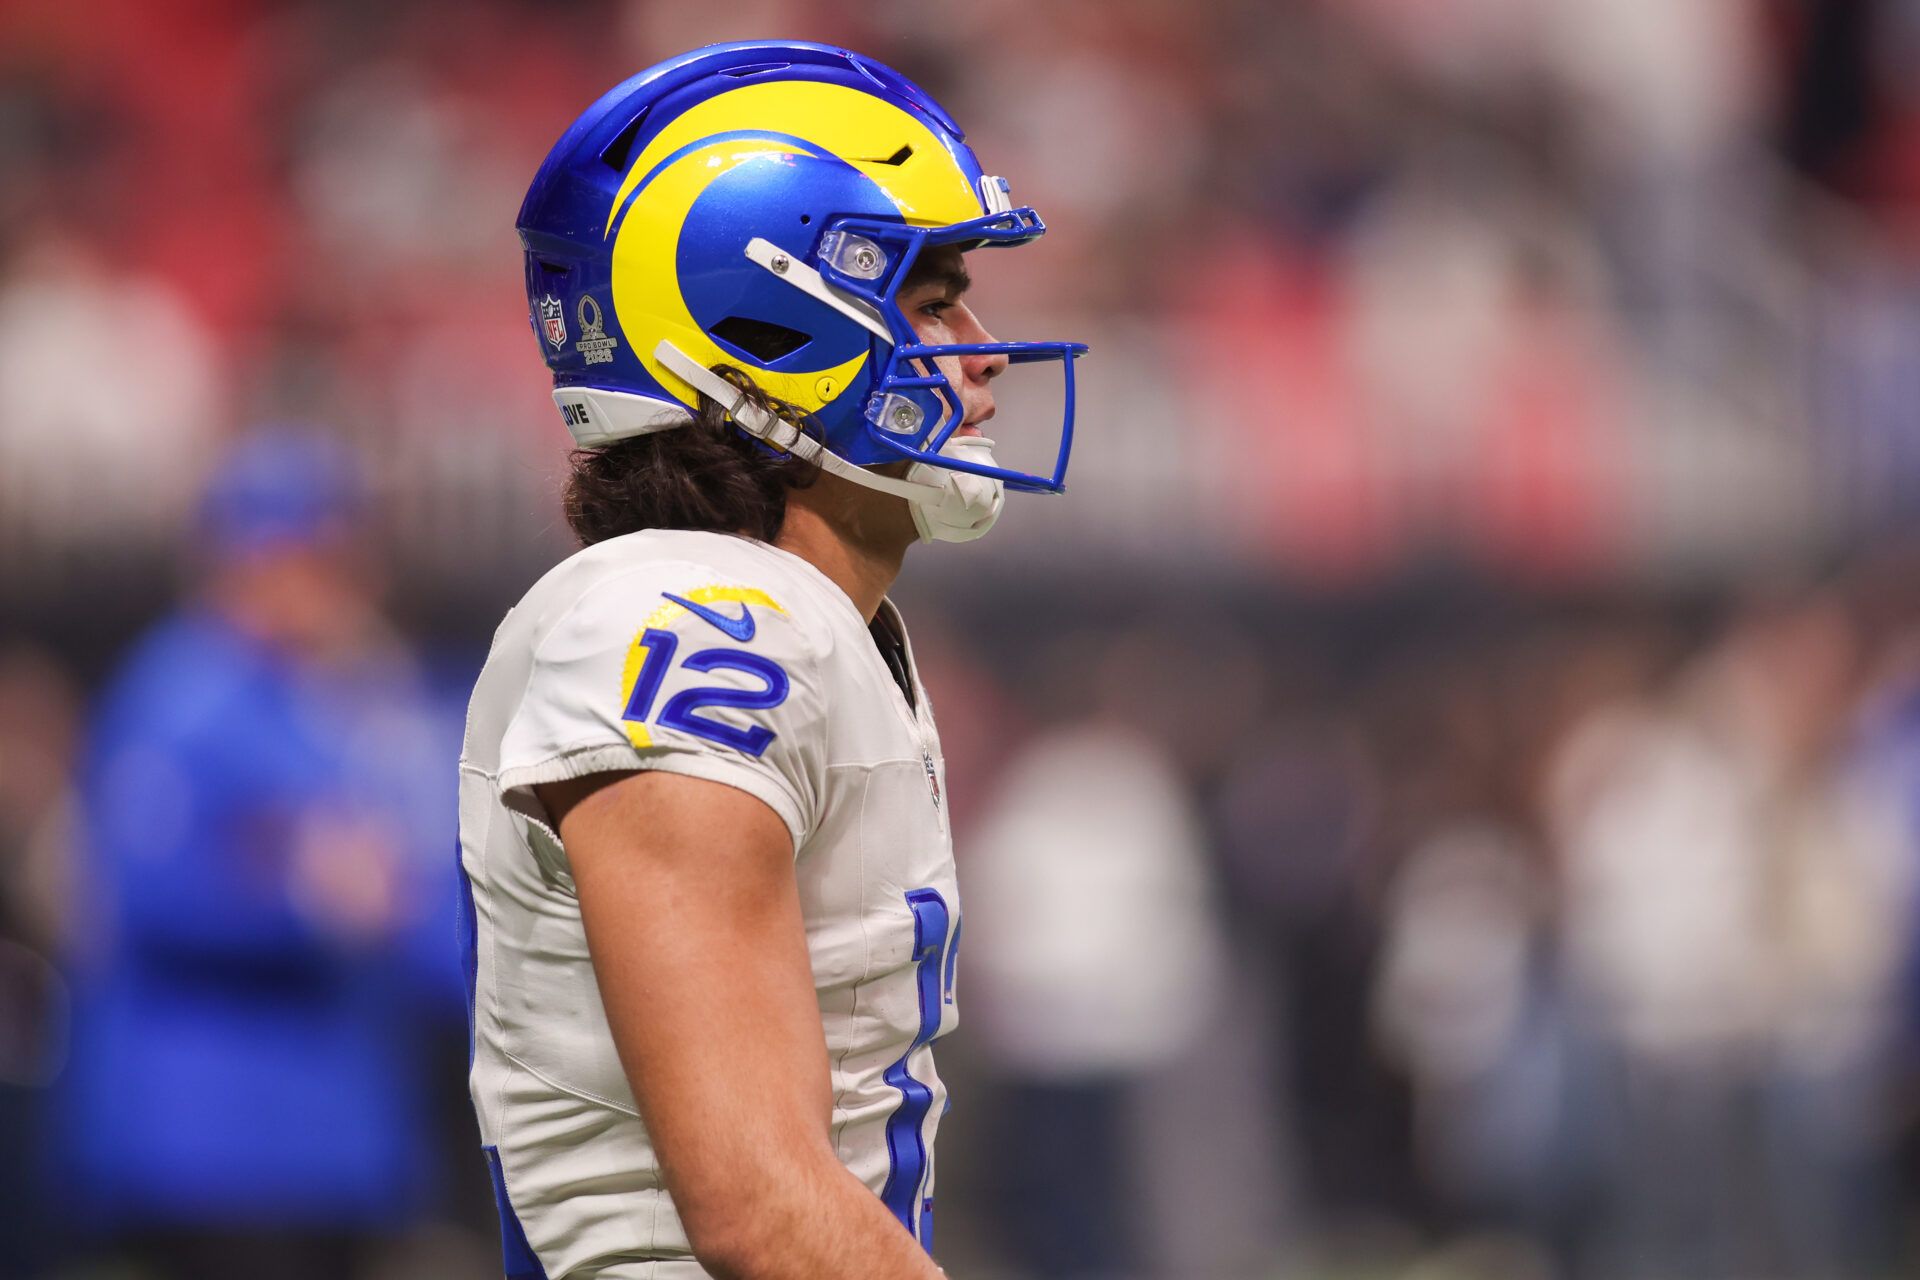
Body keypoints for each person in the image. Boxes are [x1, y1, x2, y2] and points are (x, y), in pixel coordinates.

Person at [458, 40, 1086, 1280]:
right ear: (762, 326)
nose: (982, 349)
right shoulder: (692, 616)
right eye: (931, 300)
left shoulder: (795, 616)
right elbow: (759, 1204)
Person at [59, 428, 466, 1280]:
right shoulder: (182, 693)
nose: (338, 580)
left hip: (333, 1141)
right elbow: (147, 888)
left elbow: (411, 899)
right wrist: (304, 896)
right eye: (307, 556)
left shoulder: (349, 695)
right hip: (216, 1148)